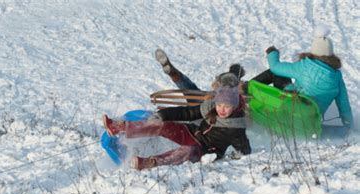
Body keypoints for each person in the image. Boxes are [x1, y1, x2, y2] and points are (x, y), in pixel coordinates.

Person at [102, 85, 251, 170]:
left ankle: (149, 162)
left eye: (227, 106)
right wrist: (163, 115)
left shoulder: (236, 127)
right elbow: (186, 112)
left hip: (203, 149)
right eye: (219, 105)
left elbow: (244, 149)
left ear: (235, 106)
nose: (222, 110)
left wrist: (235, 153)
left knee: (187, 151)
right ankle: (119, 127)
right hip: (192, 132)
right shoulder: (210, 108)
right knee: (163, 126)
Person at [250, 25, 354, 128]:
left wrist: (272, 52)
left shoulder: (304, 67)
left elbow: (275, 67)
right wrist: (350, 127)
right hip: (310, 125)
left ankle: (244, 90)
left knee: (276, 73)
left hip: (290, 114)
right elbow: (344, 105)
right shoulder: (337, 77)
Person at [155, 48, 246, 94]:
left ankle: (173, 74)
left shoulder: (222, 77)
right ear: (240, 75)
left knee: (191, 89)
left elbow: (214, 86)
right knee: (192, 90)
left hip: (209, 102)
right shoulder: (243, 84)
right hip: (223, 107)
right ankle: (173, 73)